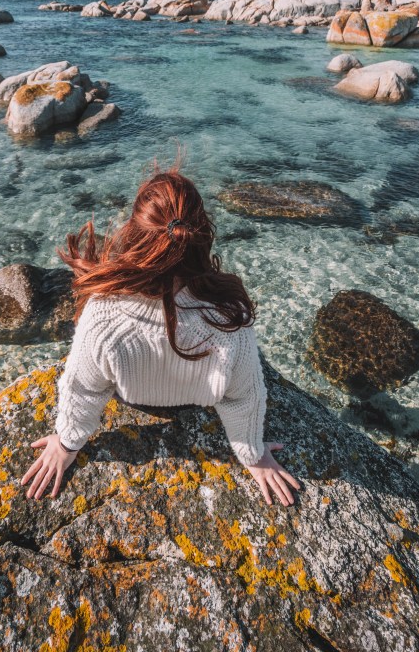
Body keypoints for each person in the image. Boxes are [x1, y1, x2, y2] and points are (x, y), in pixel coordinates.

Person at [20, 168, 300, 507]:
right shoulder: (228, 318)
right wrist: (253, 455)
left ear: (135, 233)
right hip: (196, 396)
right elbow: (243, 397)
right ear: (202, 237)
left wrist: (65, 445)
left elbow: (83, 389)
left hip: (133, 393)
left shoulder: (103, 313)